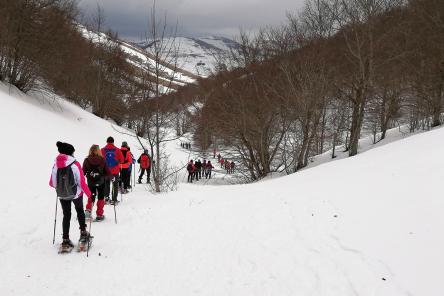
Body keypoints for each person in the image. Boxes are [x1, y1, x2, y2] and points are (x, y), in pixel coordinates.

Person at [49, 141, 91, 249]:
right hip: (76, 194)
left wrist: (62, 187)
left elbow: (52, 183)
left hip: (62, 194)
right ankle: (83, 233)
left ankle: (65, 239)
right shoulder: (75, 164)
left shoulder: (56, 165)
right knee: (80, 212)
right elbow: (81, 182)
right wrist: (89, 194)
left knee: (66, 215)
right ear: (70, 152)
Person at [83, 144, 109, 221]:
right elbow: (107, 172)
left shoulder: (87, 160)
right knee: (101, 197)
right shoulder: (102, 159)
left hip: (91, 182)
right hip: (101, 182)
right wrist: (110, 177)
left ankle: (88, 212)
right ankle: (99, 215)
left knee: (91, 196)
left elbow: (82, 172)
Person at [101, 137, 124, 204]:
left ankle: (106, 198)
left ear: (107, 142)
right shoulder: (117, 150)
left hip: (106, 171)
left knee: (106, 184)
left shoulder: (102, 150)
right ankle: (114, 199)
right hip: (115, 171)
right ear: (113, 142)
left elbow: (100, 160)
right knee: (115, 185)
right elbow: (122, 160)